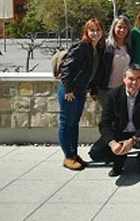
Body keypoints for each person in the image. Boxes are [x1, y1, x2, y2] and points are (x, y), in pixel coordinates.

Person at [89, 64, 140, 177]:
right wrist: (112, 143)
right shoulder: (112, 95)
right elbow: (104, 123)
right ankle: (119, 158)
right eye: (131, 79)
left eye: (138, 79)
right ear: (124, 78)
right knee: (96, 152)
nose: (135, 82)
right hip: (120, 132)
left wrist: (133, 139)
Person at [57, 18, 105, 170]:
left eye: (98, 30)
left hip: (81, 91)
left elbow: (91, 72)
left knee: (74, 124)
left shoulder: (97, 48)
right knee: (66, 123)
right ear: (86, 32)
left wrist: (92, 89)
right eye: (92, 30)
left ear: (102, 32)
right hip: (69, 92)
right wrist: (69, 89)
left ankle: (74, 154)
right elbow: (66, 68)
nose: (95, 33)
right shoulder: (82, 47)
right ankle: (68, 156)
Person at [98, 16, 133, 103]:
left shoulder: (130, 47)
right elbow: (98, 68)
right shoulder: (105, 46)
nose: (122, 30)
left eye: (125, 28)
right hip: (105, 90)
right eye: (119, 27)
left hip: (123, 90)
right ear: (114, 28)